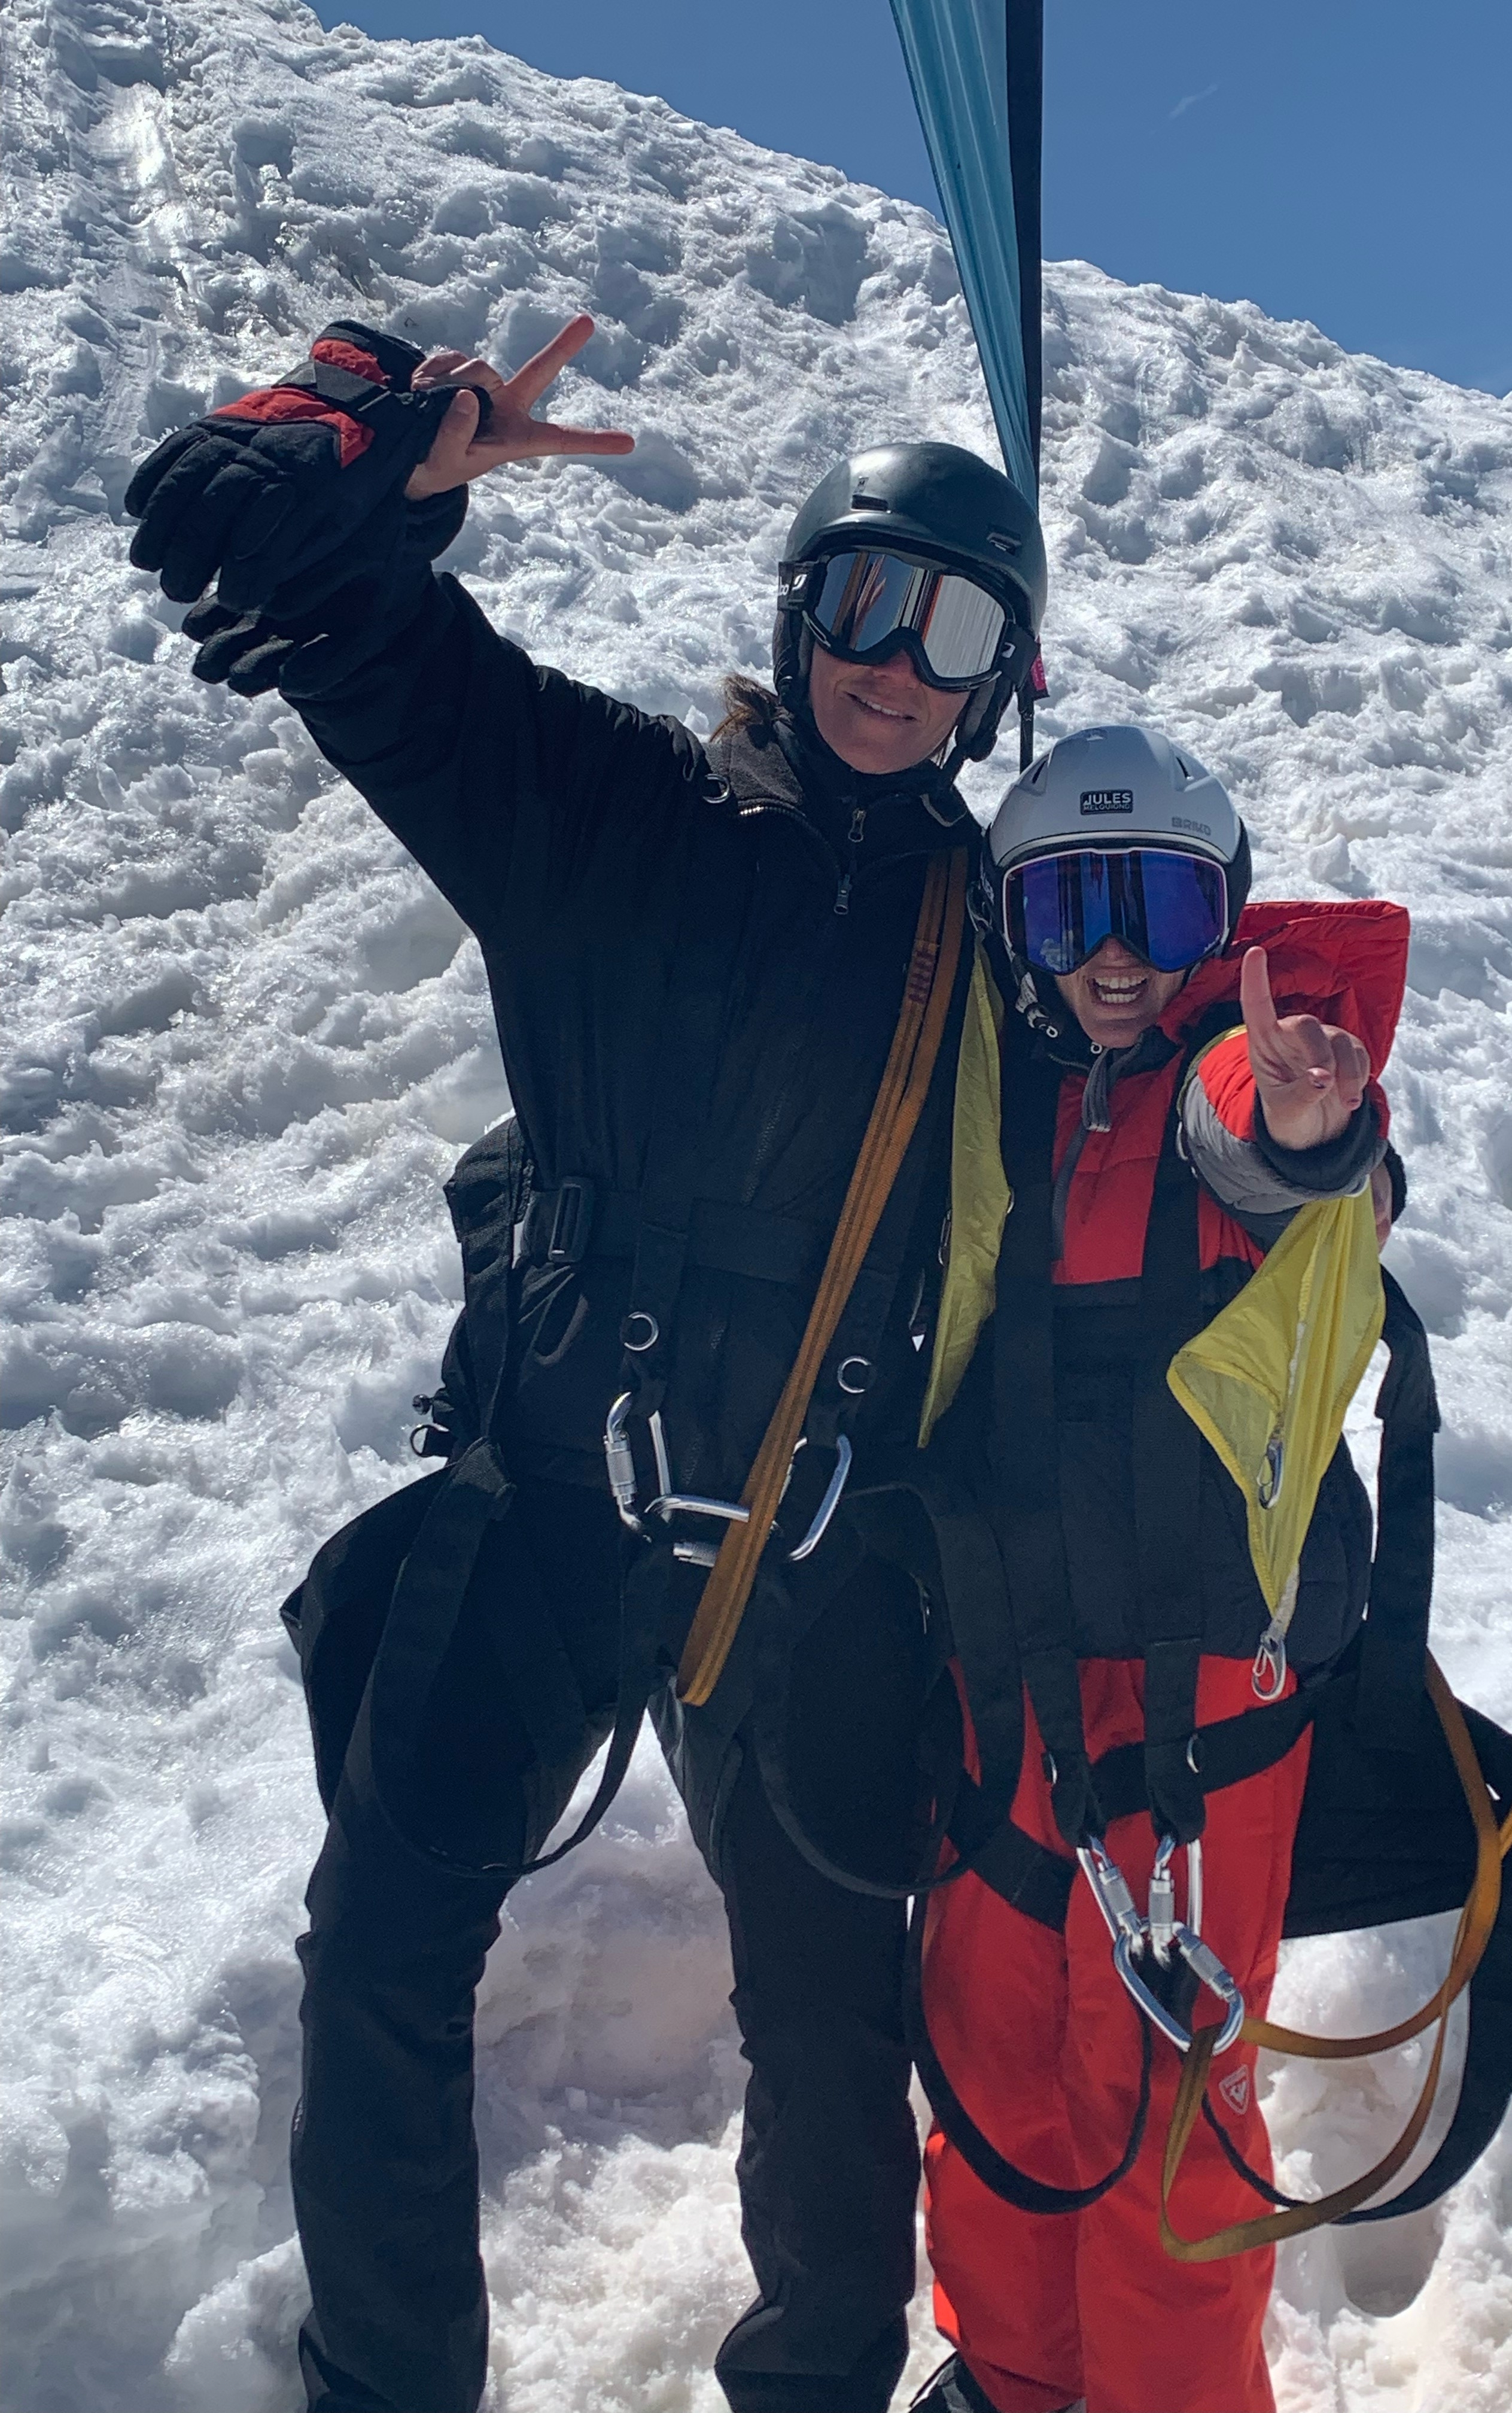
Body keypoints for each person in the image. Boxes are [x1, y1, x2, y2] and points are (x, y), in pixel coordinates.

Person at [123, 311, 1045, 2413]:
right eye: (863, 600)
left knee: (834, 2003)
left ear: (1003, 680)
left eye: (956, 622)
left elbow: (1147, 1131)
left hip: (808, 1548)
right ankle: (386, 2382)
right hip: (552, 1489)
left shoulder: (986, 942)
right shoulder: (608, 810)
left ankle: (818, 2378)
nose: (895, 657)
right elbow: (244, 560)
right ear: (798, 611)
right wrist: (379, 451)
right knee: (379, 1951)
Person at [900, 724, 1410, 2413]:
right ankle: (1016, 2380)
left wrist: (1312, 1108)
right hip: (1007, 1677)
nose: (1117, 954)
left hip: (1201, 1708)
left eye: (1164, 909)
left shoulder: (1241, 1078)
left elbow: (1276, 1139)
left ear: (1229, 925)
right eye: (1069, 912)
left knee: (1168, 2107)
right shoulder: (985, 1091)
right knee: (991, 2065)